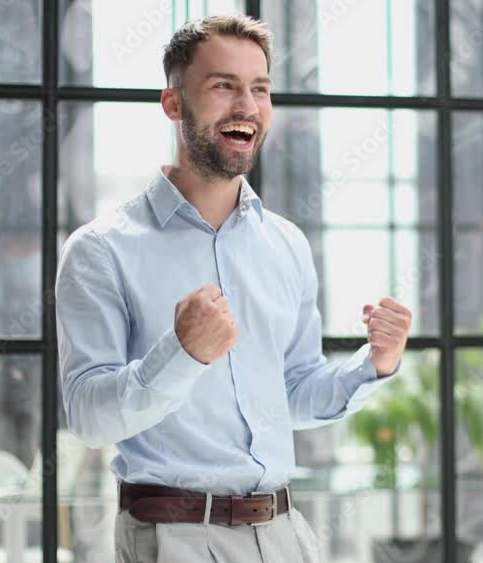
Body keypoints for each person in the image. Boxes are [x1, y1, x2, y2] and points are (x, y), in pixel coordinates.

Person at [55, 14, 412, 563]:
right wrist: (182, 353)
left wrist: (372, 364)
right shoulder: (101, 250)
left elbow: (293, 391)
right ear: (173, 104)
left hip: (285, 531)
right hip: (175, 536)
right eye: (223, 86)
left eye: (260, 89)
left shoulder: (287, 244)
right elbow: (89, 416)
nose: (246, 105)